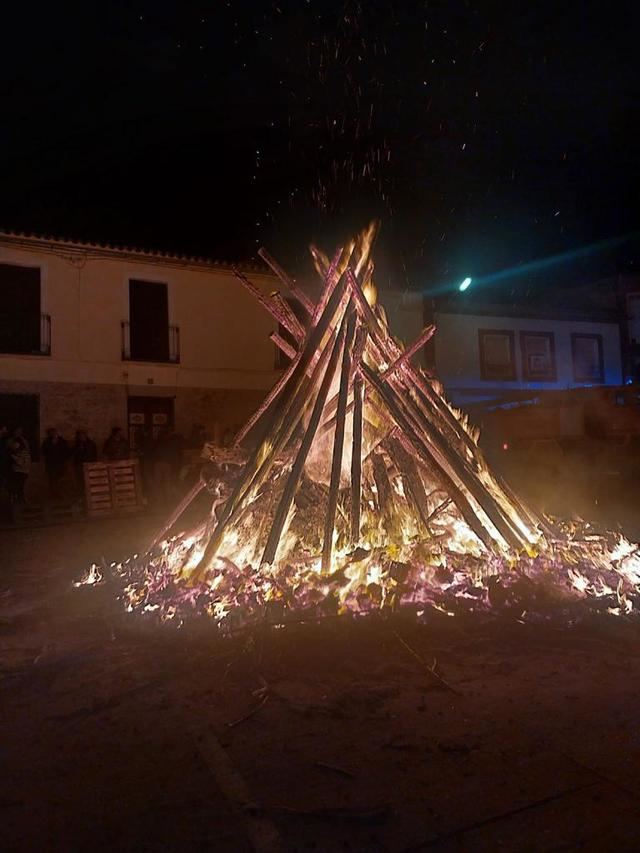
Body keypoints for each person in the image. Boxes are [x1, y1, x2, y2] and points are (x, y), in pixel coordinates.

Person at [41, 427, 69, 499]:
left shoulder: (62, 441)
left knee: (60, 480)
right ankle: (53, 495)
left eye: (54, 432)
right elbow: (44, 451)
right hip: (51, 464)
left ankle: (60, 494)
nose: (53, 434)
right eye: (51, 433)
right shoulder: (47, 442)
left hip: (60, 464)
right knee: (52, 481)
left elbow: (66, 451)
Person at [8, 427, 31, 504]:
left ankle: (21, 500)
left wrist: (13, 457)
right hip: (16, 471)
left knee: (20, 486)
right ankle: (18, 499)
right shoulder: (12, 450)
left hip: (23, 471)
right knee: (16, 485)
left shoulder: (24, 452)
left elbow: (21, 462)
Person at [72, 429, 97, 495]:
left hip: (89, 465)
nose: (81, 437)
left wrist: (93, 464)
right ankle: (81, 494)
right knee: (80, 481)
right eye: (80, 436)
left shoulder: (91, 444)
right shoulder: (76, 444)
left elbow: (94, 454)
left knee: (89, 481)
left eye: (83, 435)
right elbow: (74, 454)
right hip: (79, 465)